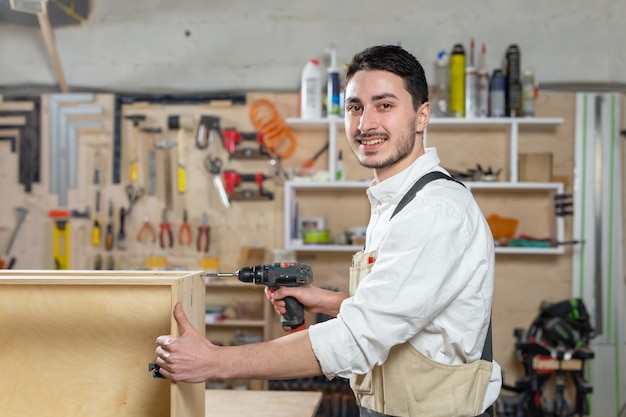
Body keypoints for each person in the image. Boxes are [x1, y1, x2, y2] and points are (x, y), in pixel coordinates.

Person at [155, 44, 502, 417]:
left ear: (421, 116)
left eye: (384, 105)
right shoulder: (397, 202)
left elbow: (358, 339)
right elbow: (403, 310)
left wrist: (216, 362)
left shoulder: (434, 210)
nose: (366, 123)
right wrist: (329, 301)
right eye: (355, 107)